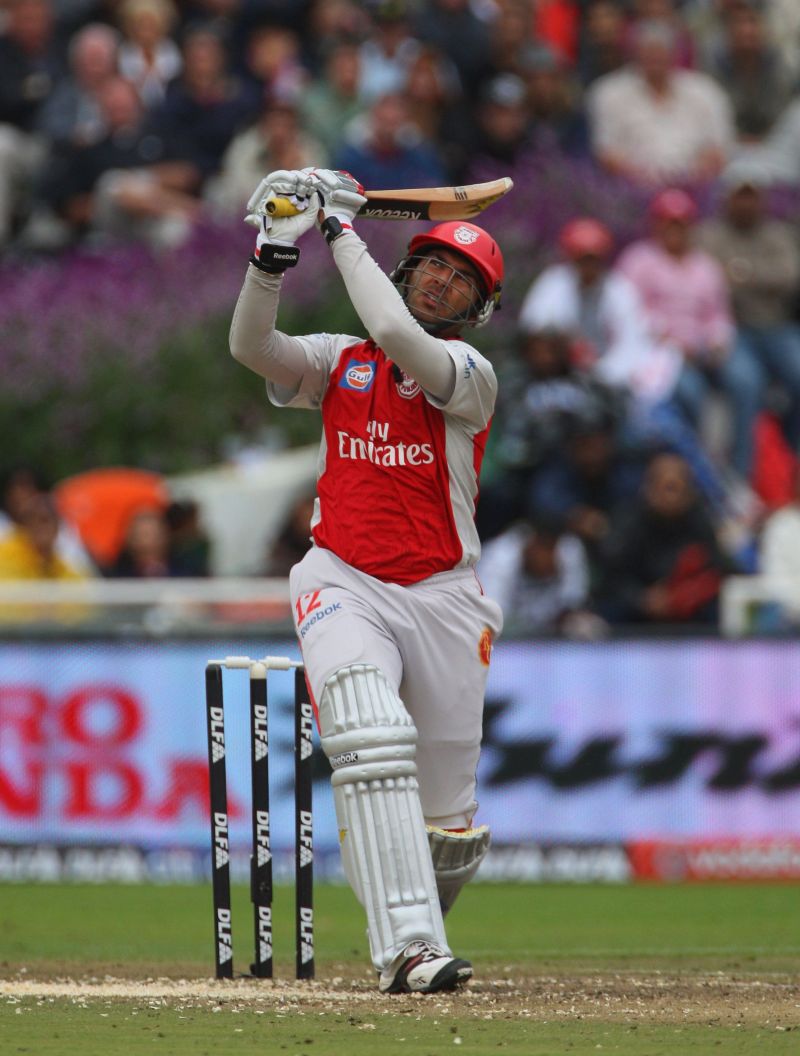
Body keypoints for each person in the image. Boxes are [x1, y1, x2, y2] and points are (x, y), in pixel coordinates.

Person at [229, 166, 505, 994]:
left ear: (475, 308)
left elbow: (394, 334)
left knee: (449, 828)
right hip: (342, 576)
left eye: (462, 279)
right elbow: (251, 347)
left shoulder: (468, 376)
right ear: (407, 269)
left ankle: (418, 914)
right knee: (369, 736)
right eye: (432, 264)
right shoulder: (339, 362)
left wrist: (337, 226)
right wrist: (274, 249)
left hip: (447, 596)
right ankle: (410, 950)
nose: (442, 280)